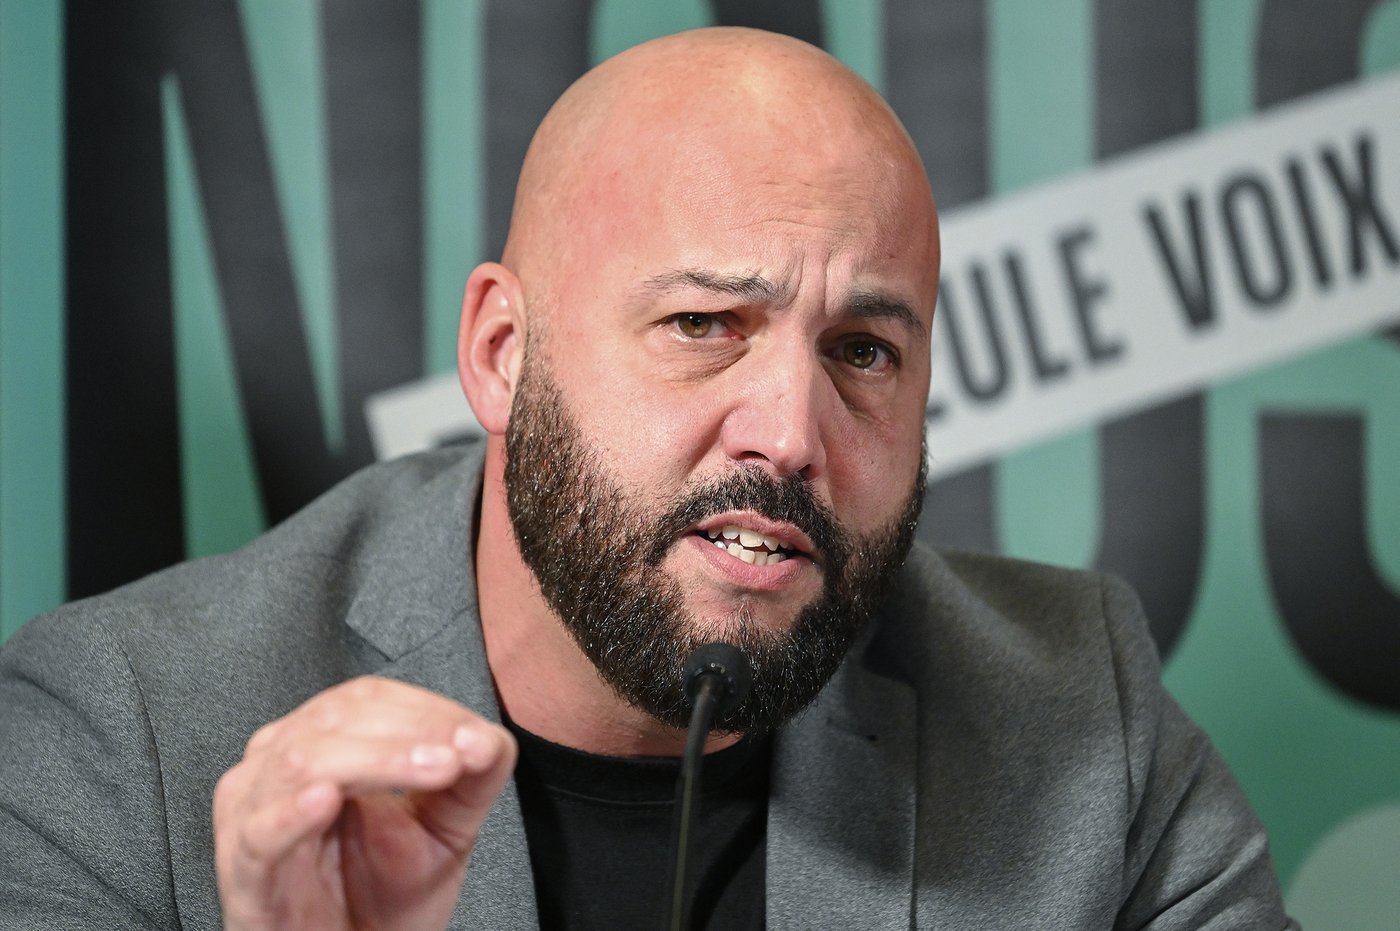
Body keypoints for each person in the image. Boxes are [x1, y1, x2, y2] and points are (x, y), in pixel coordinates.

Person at [0, 26, 1295, 931]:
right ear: (502, 355)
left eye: (862, 351)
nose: (789, 434)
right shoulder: (122, 738)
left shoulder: (1079, 723)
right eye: (703, 325)